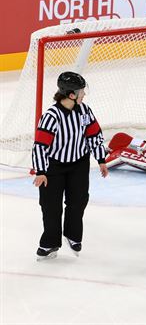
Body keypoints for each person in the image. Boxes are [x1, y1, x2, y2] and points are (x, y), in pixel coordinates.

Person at [32, 72, 108, 260]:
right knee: (51, 206)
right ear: (71, 94)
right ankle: (50, 243)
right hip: (53, 168)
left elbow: (94, 135)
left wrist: (101, 159)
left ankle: (73, 235)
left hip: (79, 164)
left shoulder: (85, 111)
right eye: (81, 91)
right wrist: (41, 171)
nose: (84, 94)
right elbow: (40, 145)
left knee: (78, 200)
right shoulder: (51, 116)